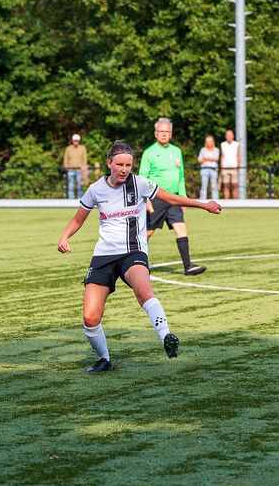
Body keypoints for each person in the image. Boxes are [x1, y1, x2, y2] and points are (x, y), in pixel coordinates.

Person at [58, 140, 221, 373]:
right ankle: (104, 359)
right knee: (90, 317)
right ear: (109, 163)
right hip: (104, 256)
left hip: (133, 252)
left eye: (128, 165)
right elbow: (77, 220)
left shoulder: (140, 184)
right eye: (120, 164)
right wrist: (64, 238)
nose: (124, 169)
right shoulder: (95, 189)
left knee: (144, 291)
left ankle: (166, 336)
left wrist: (204, 205)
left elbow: (172, 198)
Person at [139, 117, 206, 276]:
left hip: (174, 199)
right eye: (161, 131)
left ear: (171, 134)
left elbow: (181, 177)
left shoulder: (176, 151)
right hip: (156, 199)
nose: (164, 134)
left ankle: (188, 266)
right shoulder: (149, 153)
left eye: (167, 132)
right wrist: (146, 199)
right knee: (148, 232)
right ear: (155, 134)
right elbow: (142, 177)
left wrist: (183, 199)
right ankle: (139, 265)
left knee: (181, 228)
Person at [63, 133, 87, 199]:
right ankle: (71, 201)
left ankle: (80, 200)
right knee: (70, 186)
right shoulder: (68, 149)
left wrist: (83, 169)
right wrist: (66, 167)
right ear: (72, 141)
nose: (76, 142)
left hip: (79, 170)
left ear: (79, 141)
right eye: (75, 140)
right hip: (71, 170)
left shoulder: (83, 148)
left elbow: (84, 160)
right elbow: (65, 159)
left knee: (80, 186)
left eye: (77, 140)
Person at [197, 135, 220, 200]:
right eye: (207, 142)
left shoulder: (216, 150)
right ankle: (202, 201)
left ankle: (216, 201)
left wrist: (205, 159)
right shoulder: (203, 149)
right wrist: (210, 159)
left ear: (213, 142)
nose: (208, 143)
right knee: (204, 186)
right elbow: (199, 160)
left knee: (214, 186)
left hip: (213, 170)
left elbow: (216, 159)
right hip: (204, 169)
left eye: (209, 142)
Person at [220, 129, 240, 199]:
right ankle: (227, 202)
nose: (229, 137)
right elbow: (222, 156)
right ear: (226, 136)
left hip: (234, 168)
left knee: (235, 185)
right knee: (226, 185)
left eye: (230, 136)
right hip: (225, 167)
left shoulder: (236, 144)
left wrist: (237, 166)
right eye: (228, 136)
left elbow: (238, 156)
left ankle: (235, 203)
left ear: (233, 136)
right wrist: (221, 167)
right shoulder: (222, 144)